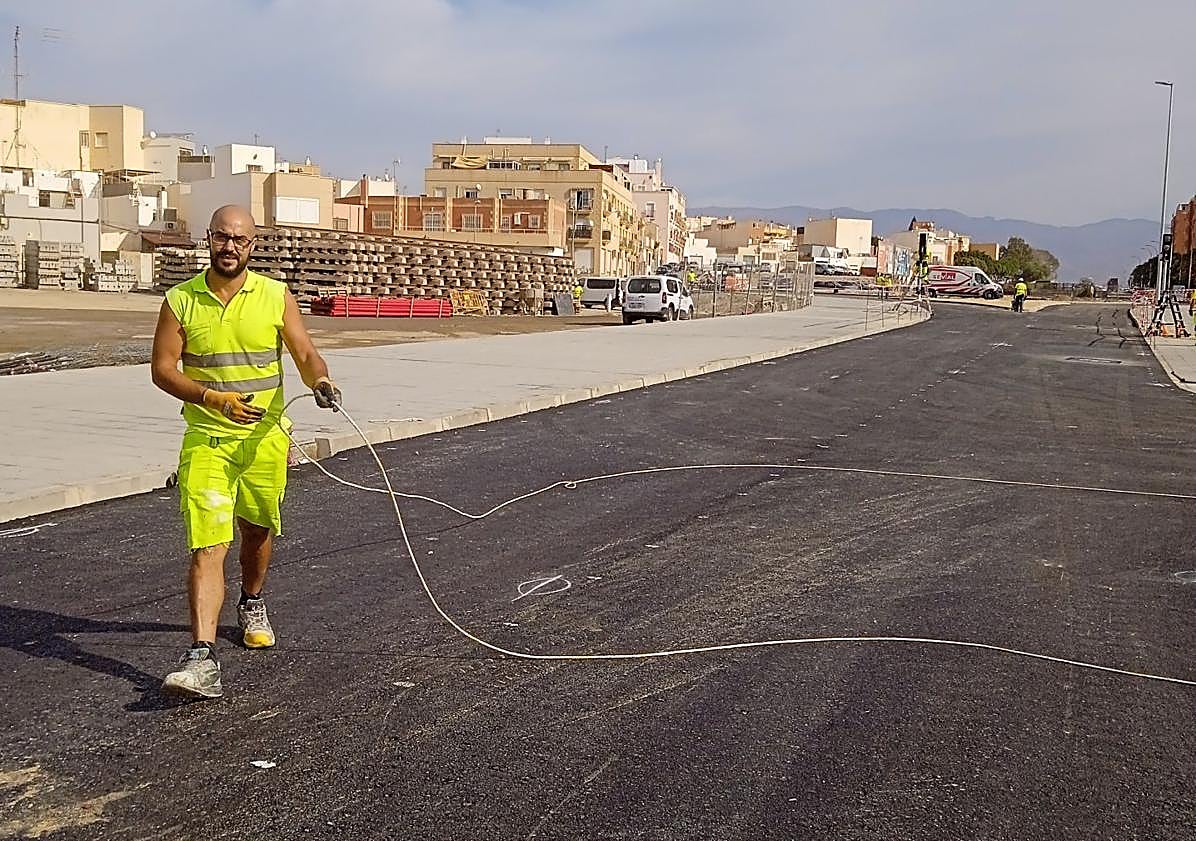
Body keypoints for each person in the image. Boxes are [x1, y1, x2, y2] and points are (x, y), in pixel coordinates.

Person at [150, 205, 342, 700]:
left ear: (253, 245)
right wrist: (212, 398)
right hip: (207, 440)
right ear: (208, 239)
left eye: (239, 239)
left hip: (263, 441)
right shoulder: (180, 300)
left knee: (257, 531)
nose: (229, 247)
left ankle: (252, 600)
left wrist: (320, 380)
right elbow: (163, 370)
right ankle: (202, 658)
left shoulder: (275, 296)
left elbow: (304, 352)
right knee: (208, 543)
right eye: (221, 237)